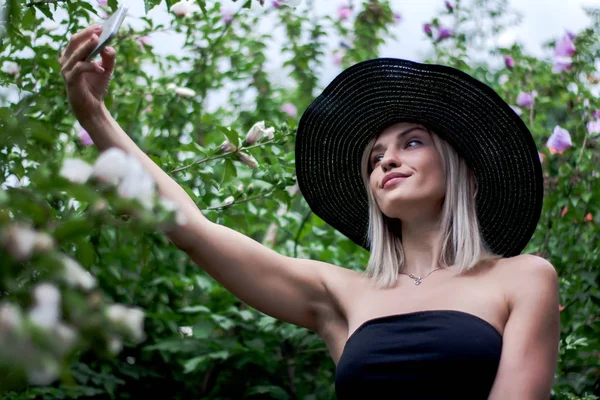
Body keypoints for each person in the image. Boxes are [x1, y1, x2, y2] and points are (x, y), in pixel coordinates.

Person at [61, 25, 560, 399]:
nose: (387, 159)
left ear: (463, 173)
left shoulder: (522, 279)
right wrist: (95, 115)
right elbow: (192, 228)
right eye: (375, 156)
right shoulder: (340, 294)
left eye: (412, 142)